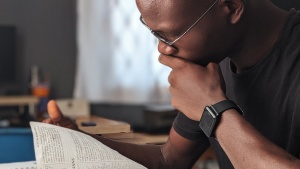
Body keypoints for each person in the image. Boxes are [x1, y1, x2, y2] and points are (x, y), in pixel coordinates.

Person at [43, 0, 300, 168]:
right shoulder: (212, 59)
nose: (162, 49)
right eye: (154, 33)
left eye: (173, 34)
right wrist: (79, 141)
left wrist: (212, 108)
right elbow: (168, 159)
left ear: (232, 6)